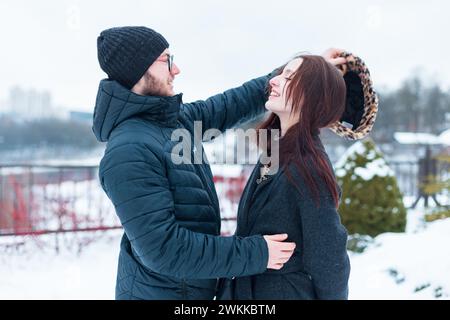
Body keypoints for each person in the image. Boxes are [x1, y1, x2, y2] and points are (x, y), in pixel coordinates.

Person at [92, 26, 346, 300]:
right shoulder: (129, 150)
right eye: (166, 59)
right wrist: (257, 253)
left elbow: (230, 105)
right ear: (138, 69)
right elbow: (163, 249)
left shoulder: (171, 123)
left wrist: (313, 76)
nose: (176, 69)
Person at [218, 55, 351, 300]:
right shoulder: (276, 152)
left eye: (288, 77)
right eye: (280, 74)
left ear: (312, 97)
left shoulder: (309, 166)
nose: (274, 81)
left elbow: (329, 257)